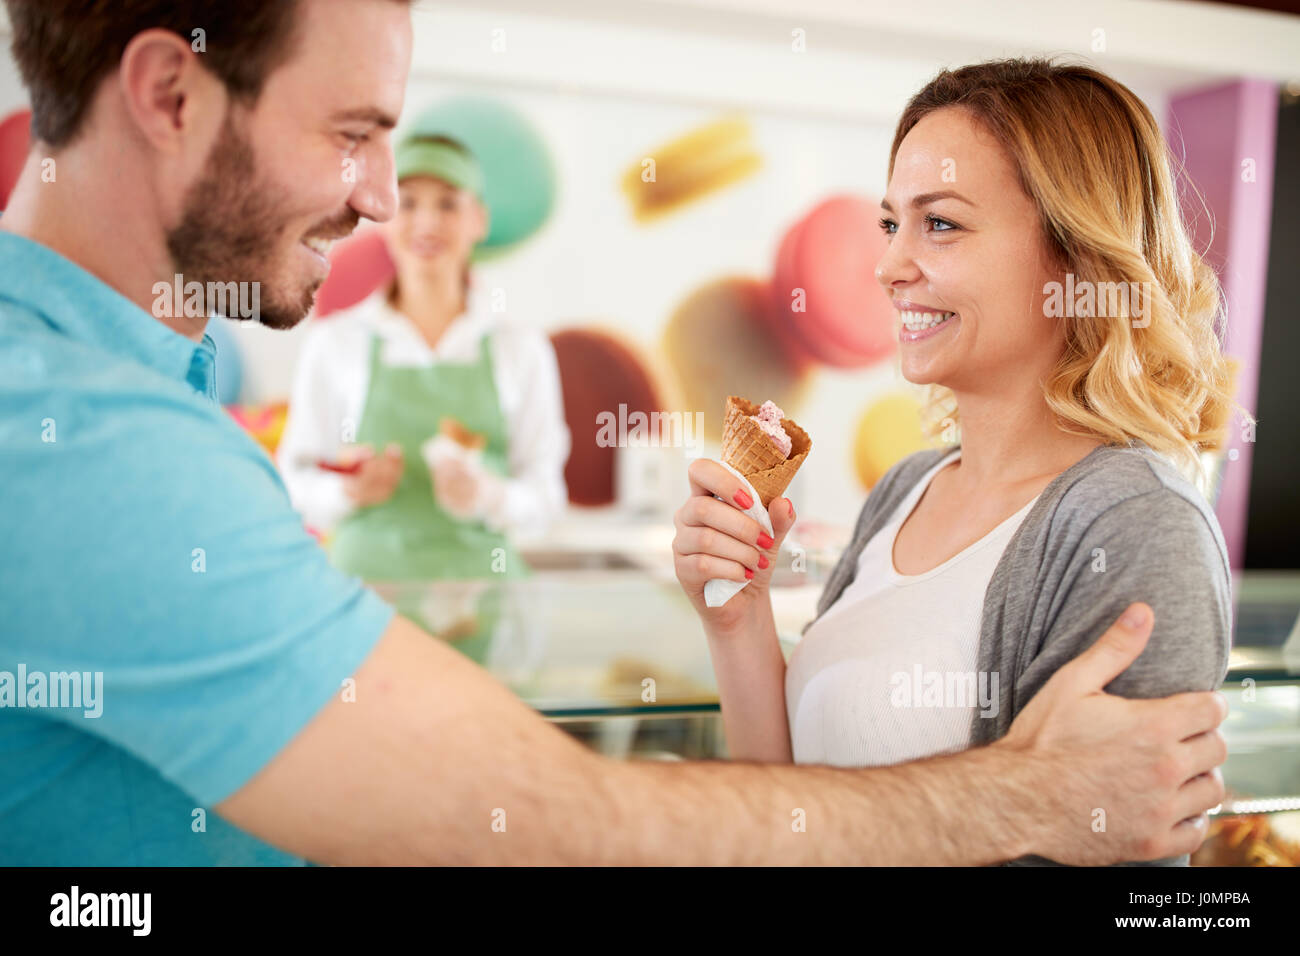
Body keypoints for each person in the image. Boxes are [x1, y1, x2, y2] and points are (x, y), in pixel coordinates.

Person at [0, 1, 1226, 866]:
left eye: (940, 223)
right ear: (169, 92)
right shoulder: (80, 436)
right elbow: (536, 815)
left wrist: (729, 615)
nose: (379, 199)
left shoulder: (166, 378)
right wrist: (1021, 795)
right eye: (354, 133)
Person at [673, 59, 1242, 866]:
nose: (888, 265)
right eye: (890, 223)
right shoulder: (909, 487)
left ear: (1073, 258)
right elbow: (786, 811)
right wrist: (738, 617)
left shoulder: (1137, 527)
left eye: (939, 223)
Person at [276, 126, 569, 656]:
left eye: (448, 204)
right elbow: (291, 484)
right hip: (361, 608)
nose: (428, 222)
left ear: (478, 219)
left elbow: (548, 499)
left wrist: (489, 496)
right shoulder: (335, 343)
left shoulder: (521, 350)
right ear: (387, 217)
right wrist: (347, 491)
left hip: (486, 612)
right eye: (408, 202)